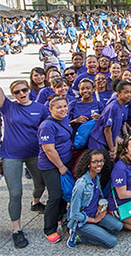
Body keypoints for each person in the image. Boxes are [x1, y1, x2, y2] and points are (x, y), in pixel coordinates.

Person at [0, 81, 49, 248]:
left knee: (40, 184)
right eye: (17, 91)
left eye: (24, 90)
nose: (21, 93)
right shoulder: (8, 107)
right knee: (15, 193)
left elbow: (47, 128)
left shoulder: (41, 108)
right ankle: (16, 230)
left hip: (34, 155)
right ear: (13, 94)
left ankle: (35, 202)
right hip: (11, 155)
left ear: (29, 90)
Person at [67, 149, 123, 249]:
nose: (99, 164)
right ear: (88, 164)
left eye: (101, 161)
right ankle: (77, 237)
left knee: (118, 226)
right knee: (112, 242)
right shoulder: (81, 185)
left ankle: (95, 231)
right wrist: (94, 220)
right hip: (82, 221)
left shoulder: (96, 177)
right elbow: (74, 214)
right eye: (95, 162)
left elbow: (99, 197)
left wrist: (101, 209)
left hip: (95, 213)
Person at [37, 96, 73, 243]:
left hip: (66, 161)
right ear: (50, 109)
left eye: (65, 106)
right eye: (58, 107)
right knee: (55, 195)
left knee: (64, 193)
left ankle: (60, 216)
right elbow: (49, 150)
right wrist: (60, 166)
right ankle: (49, 229)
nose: (63, 109)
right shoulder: (47, 125)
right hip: (51, 165)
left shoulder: (64, 119)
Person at [88, 80, 131, 159]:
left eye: (130, 92)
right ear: (119, 93)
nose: (129, 95)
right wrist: (112, 149)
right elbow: (107, 130)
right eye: (126, 92)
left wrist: (115, 146)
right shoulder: (112, 107)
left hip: (108, 143)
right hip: (98, 142)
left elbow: (115, 129)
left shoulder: (122, 106)